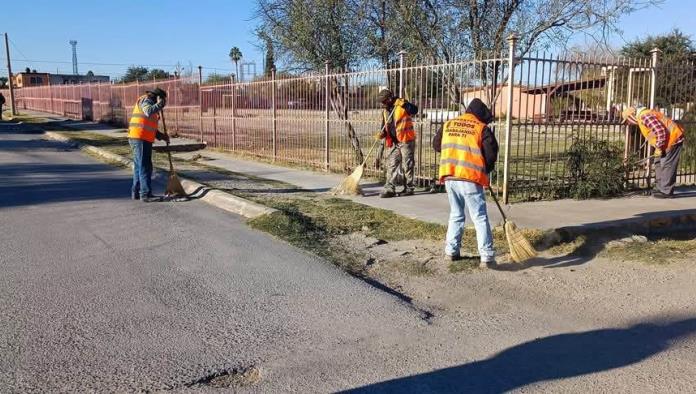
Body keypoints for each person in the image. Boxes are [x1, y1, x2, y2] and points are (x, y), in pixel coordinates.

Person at [433, 98, 499, 268]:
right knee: (479, 217)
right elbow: (491, 153)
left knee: (456, 214)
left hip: (450, 176)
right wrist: (486, 168)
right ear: (480, 115)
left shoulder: (449, 124)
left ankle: (451, 252)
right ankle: (487, 257)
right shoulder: (480, 128)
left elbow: (436, 145)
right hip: (469, 177)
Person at [622, 106, 685, 198]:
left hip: (673, 139)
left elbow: (660, 131)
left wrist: (659, 148)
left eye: (627, 120)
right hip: (665, 141)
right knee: (658, 162)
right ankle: (660, 188)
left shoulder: (645, 116)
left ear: (631, 116)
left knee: (667, 165)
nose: (628, 123)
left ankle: (666, 191)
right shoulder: (644, 116)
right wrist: (658, 147)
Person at [128, 87, 169, 202]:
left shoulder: (149, 103)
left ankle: (136, 192)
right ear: (158, 97)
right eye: (162, 100)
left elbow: (149, 127)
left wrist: (162, 136)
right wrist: (160, 104)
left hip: (140, 138)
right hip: (140, 139)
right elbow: (148, 111)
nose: (163, 104)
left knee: (139, 167)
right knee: (145, 166)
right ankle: (145, 194)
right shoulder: (146, 101)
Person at [376, 88, 419, 198]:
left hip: (406, 140)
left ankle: (409, 188)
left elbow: (415, 110)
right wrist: (382, 134)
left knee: (407, 165)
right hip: (394, 142)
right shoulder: (386, 111)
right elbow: (385, 125)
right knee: (392, 164)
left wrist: (404, 104)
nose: (382, 103)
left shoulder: (401, 105)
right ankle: (389, 188)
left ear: (389, 99)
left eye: (384, 101)